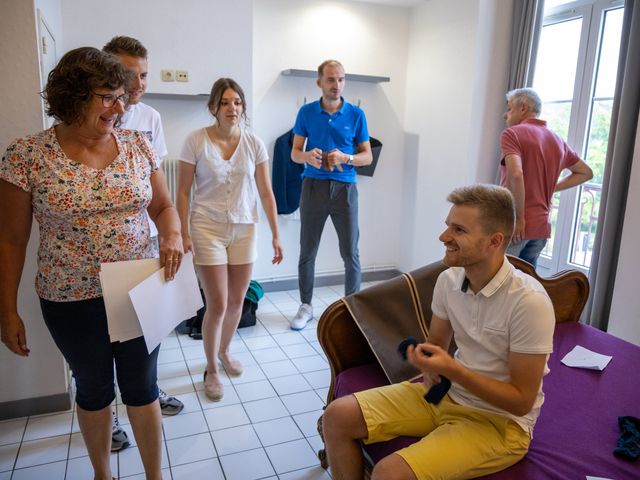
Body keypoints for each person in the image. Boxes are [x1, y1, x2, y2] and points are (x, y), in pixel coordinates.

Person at [0, 47, 183, 480]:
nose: (120, 107)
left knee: (143, 386)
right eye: (107, 97)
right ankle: (104, 475)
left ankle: (155, 476)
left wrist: (173, 234)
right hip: (70, 297)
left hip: (137, 289)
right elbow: (10, 239)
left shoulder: (138, 145)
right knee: (94, 387)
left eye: (122, 96)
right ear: (73, 96)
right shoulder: (27, 156)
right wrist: (7, 310)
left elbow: (164, 208)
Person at [322, 184, 556, 480]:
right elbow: (437, 347)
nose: (443, 237)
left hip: (500, 423)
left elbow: (521, 400)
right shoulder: (448, 281)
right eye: (448, 226)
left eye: (459, 230)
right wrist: (426, 362)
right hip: (448, 395)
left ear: (494, 241)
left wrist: (453, 371)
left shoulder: (529, 302)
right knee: (337, 416)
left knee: (389, 473)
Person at [176, 78, 283, 401]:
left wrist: (276, 234)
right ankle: (211, 367)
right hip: (206, 228)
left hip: (244, 228)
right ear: (214, 107)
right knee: (218, 303)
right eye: (225, 102)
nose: (232, 108)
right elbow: (182, 192)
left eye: (237, 102)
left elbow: (266, 191)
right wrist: (183, 233)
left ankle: (224, 350)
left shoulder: (254, 144)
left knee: (237, 301)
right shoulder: (195, 140)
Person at [103, 35, 183, 450]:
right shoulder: (89, 119)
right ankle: (110, 414)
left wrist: (170, 231)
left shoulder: (149, 118)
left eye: (144, 75)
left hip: (145, 243)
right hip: (96, 257)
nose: (139, 84)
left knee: (147, 329)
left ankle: (148, 390)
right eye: (130, 75)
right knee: (104, 340)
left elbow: (159, 191)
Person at [289, 59, 373, 331]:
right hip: (312, 187)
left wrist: (347, 157)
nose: (336, 85)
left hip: (345, 190)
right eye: (330, 79)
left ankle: (352, 309)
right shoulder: (306, 112)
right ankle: (306, 306)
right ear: (319, 82)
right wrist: (307, 157)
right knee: (307, 251)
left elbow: (367, 156)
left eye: (340, 79)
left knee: (350, 252)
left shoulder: (357, 115)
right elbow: (294, 153)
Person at [500, 88, 593, 268]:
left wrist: (519, 218)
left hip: (515, 225)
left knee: (500, 286)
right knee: (527, 286)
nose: (505, 115)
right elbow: (586, 172)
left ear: (523, 108)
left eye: (510, 109)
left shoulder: (512, 134)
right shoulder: (557, 140)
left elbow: (516, 173)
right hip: (541, 228)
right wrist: (550, 187)